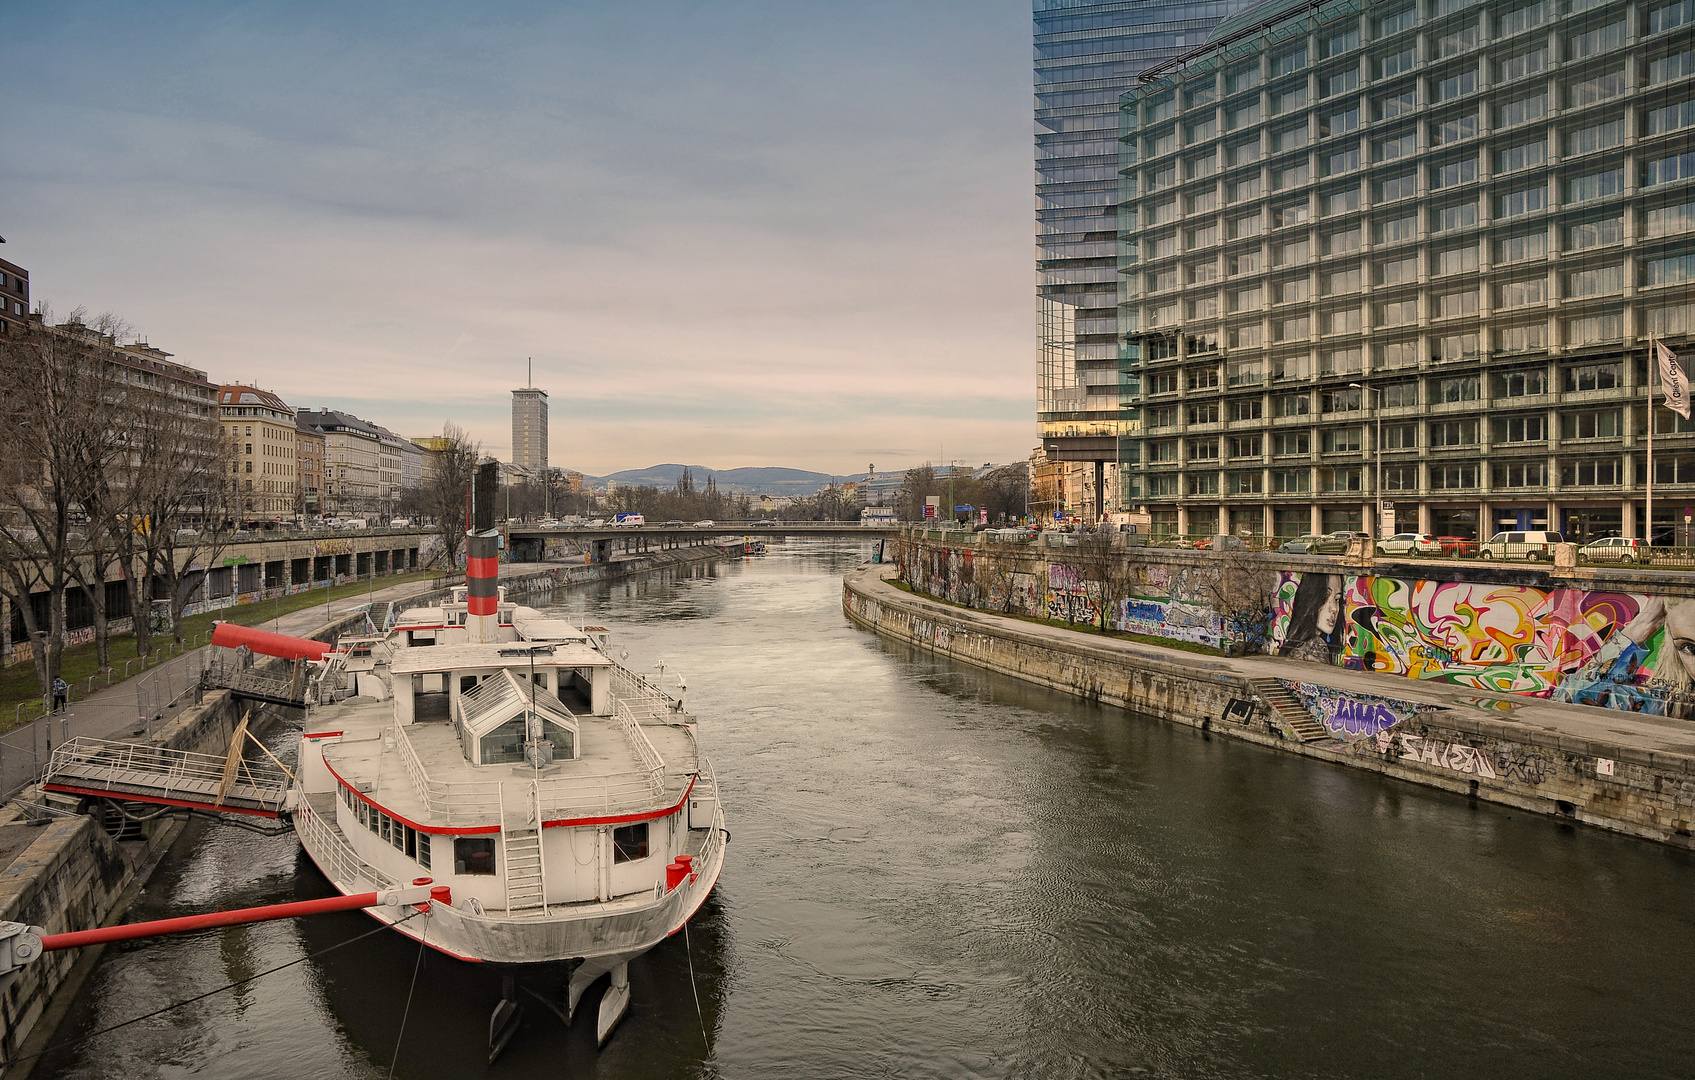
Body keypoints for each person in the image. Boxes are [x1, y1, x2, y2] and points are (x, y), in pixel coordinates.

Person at [1278, 573, 1345, 665]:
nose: (1334, 608)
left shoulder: (1296, 643)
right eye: (1325, 596)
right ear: (1310, 598)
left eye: (1337, 599)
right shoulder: (1313, 648)